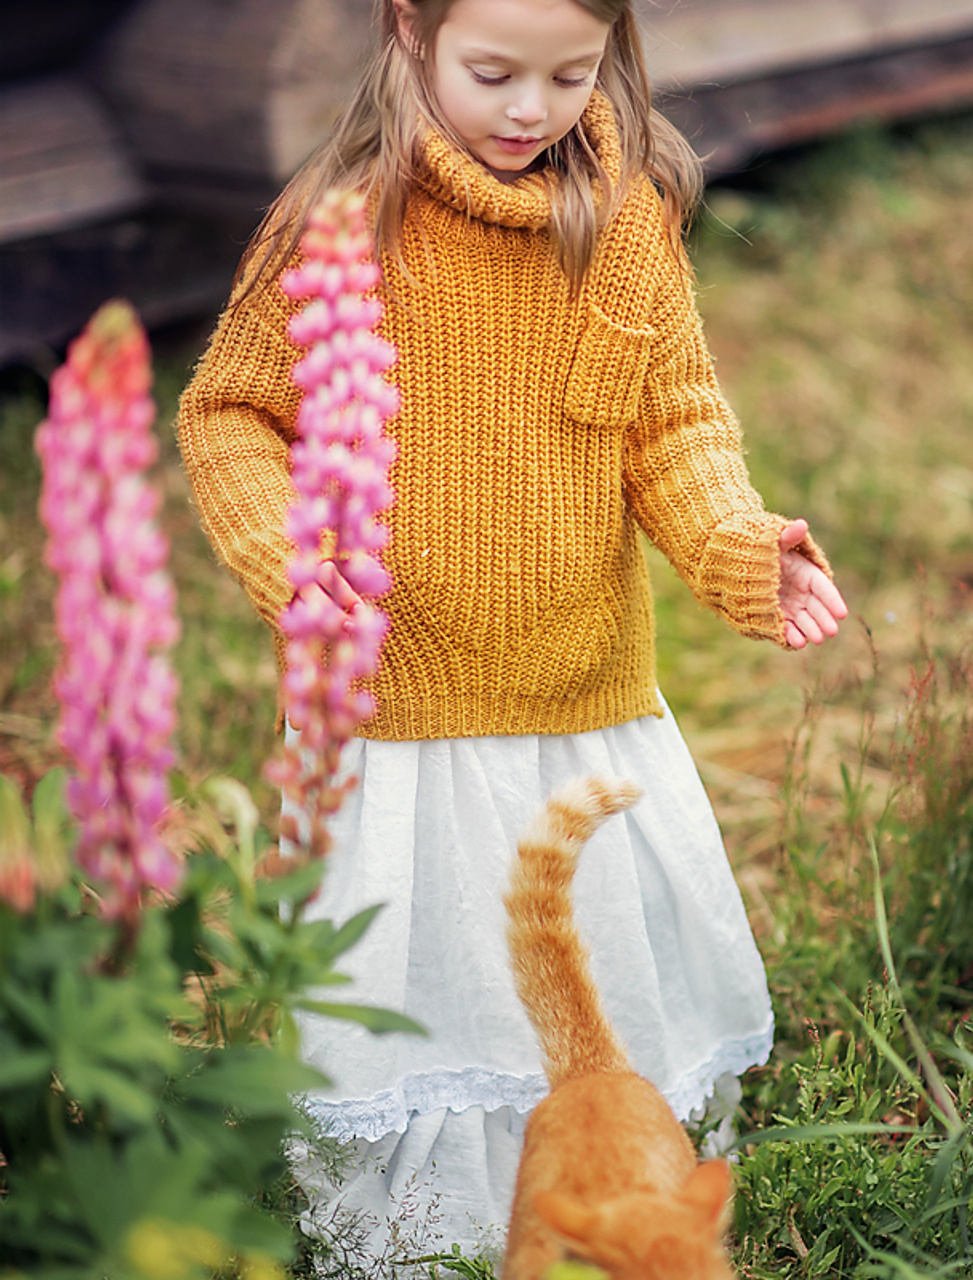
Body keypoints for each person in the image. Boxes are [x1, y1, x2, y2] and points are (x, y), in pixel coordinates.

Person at [176, 0, 847, 1263]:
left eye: (569, 74)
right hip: (395, 711)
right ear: (408, 31)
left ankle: (611, 1200)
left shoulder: (620, 216)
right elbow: (231, 413)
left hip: (580, 697)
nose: (529, 110)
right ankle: (427, 1230)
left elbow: (673, 426)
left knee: (583, 976)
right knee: (430, 985)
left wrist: (738, 546)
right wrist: (289, 556)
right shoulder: (344, 222)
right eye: (491, 72)